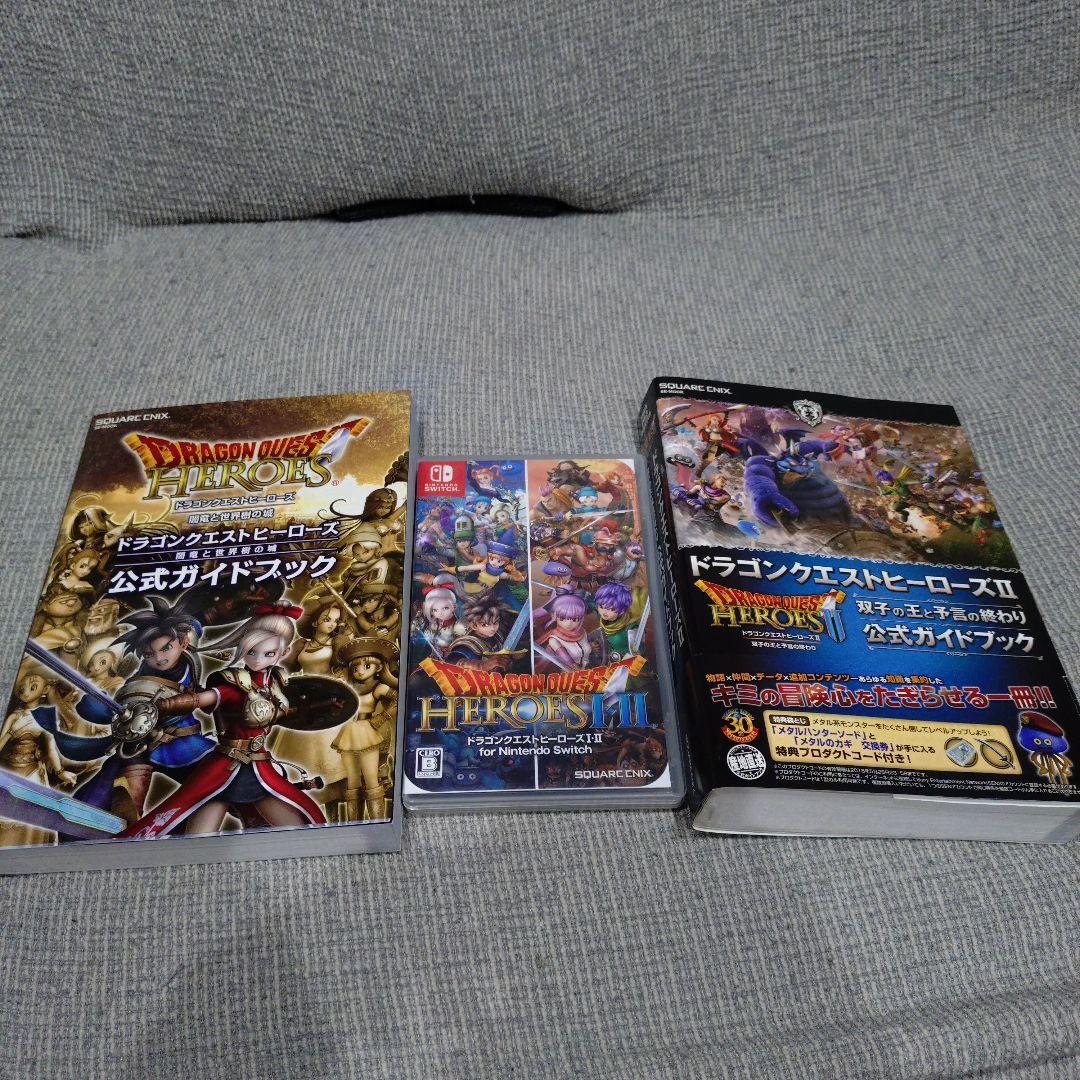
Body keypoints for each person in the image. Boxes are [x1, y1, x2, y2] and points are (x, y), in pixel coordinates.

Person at [116, 603, 326, 838]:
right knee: (201, 828)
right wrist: (164, 705)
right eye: (252, 652)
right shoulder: (235, 682)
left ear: (283, 653)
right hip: (228, 764)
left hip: (258, 764)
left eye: (269, 654)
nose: (258, 660)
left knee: (297, 827)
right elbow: (201, 699)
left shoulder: (274, 682)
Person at [331, 637, 398, 820]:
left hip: (367, 730)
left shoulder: (379, 687)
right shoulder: (348, 687)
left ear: (378, 667)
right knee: (352, 781)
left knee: (371, 779)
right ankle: (354, 824)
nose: (360, 671)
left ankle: (378, 822)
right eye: (355, 668)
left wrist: (381, 718)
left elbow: (398, 700)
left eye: (366, 666)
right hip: (348, 731)